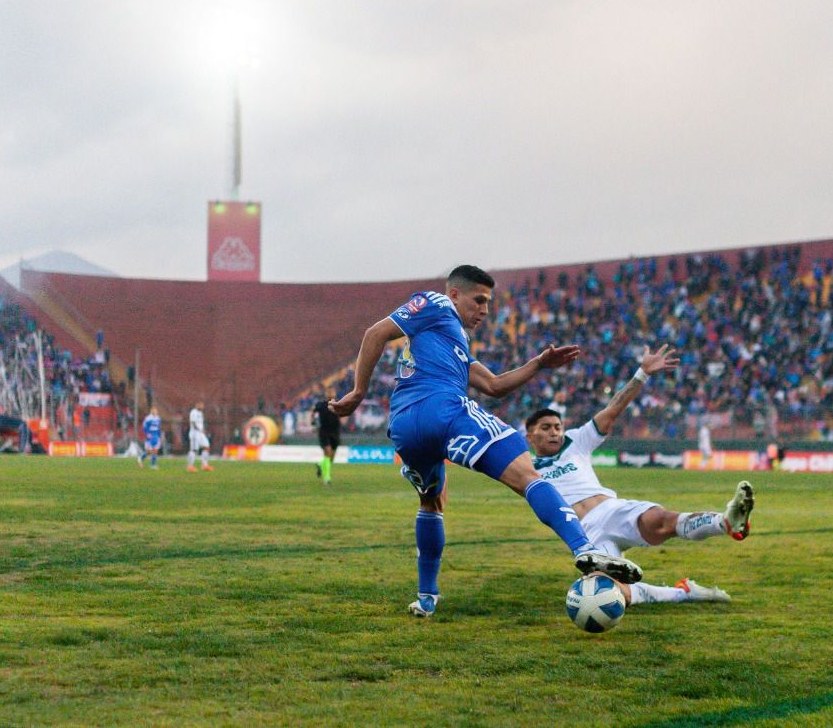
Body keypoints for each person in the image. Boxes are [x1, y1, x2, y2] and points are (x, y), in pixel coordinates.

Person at [330, 264, 642, 618]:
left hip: (404, 427)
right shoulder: (435, 303)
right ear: (454, 295)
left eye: (488, 303)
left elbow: (493, 385)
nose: (485, 310)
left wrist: (538, 364)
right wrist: (357, 391)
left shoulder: (450, 342)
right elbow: (376, 332)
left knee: (432, 503)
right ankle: (584, 547)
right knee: (528, 475)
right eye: (479, 300)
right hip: (441, 408)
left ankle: (426, 598)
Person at [524, 344, 753, 610]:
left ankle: (725, 522)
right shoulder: (525, 467)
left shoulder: (576, 440)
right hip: (584, 534)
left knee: (663, 520)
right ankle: (684, 592)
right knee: (616, 595)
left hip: (611, 509)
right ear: (530, 436)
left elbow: (613, 409)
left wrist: (642, 373)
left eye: (557, 427)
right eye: (546, 428)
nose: (555, 432)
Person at [311, 390, 341, 485]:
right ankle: (327, 478)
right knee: (327, 452)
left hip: (335, 432)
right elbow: (313, 410)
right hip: (324, 432)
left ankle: (320, 465)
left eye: (332, 392)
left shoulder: (338, 404)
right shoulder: (321, 405)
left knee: (331, 458)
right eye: (329, 392)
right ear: (326, 394)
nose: (331, 393)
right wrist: (312, 420)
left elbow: (344, 412)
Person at [186, 401, 212, 472]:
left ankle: (204, 465)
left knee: (206, 446)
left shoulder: (201, 413)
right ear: (197, 405)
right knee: (194, 449)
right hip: (195, 433)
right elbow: (193, 422)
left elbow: (201, 423)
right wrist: (199, 429)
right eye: (200, 405)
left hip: (200, 433)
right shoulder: (193, 412)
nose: (201, 406)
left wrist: (203, 431)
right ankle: (190, 466)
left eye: (202, 405)